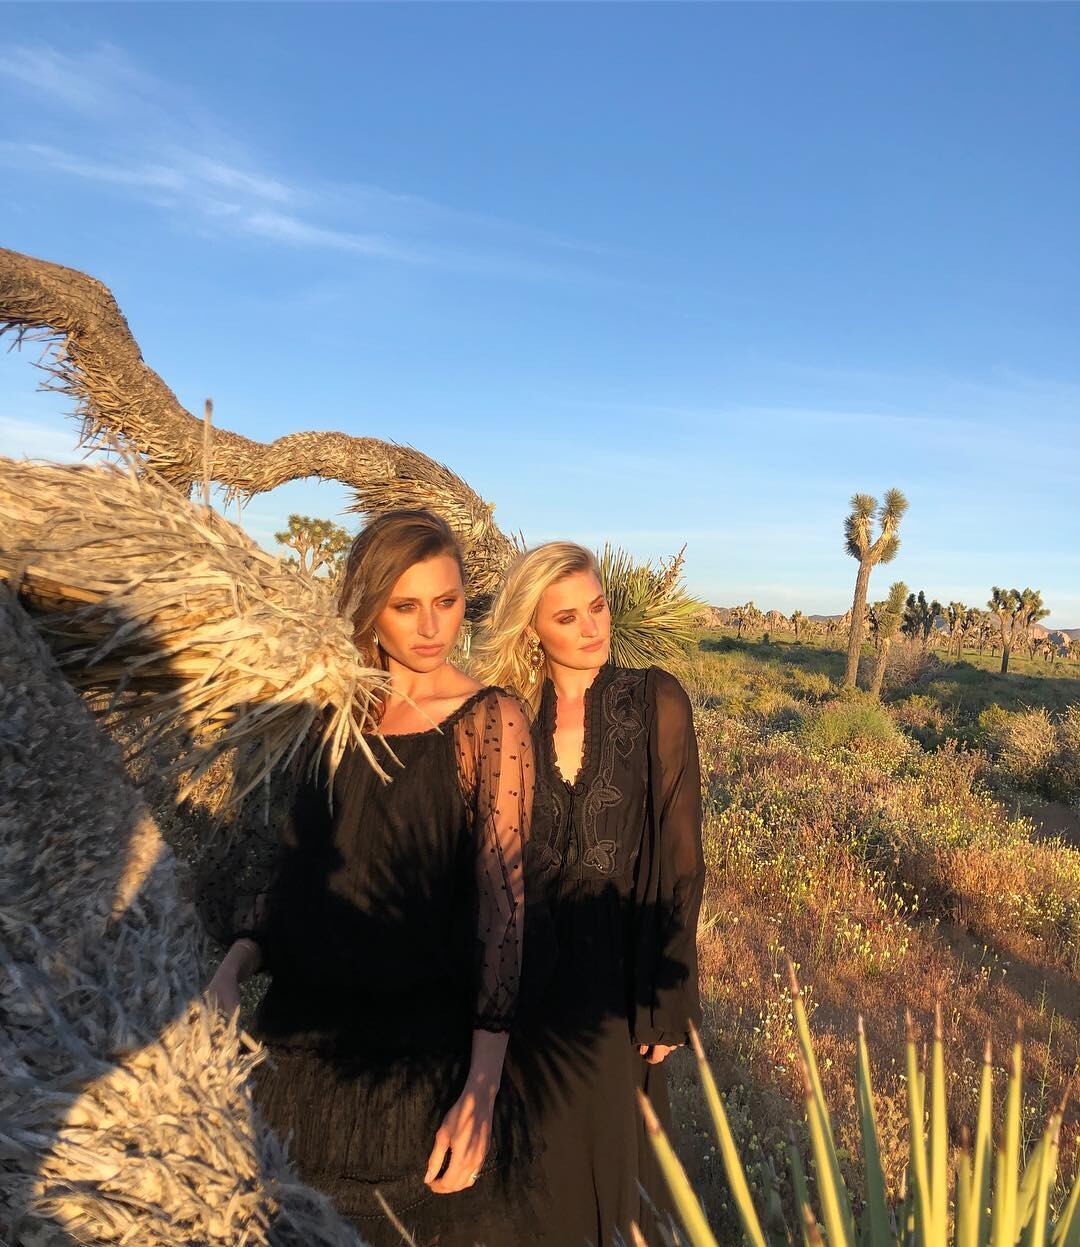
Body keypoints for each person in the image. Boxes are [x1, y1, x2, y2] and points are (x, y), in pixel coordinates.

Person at [204, 510, 536, 1247]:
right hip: (296, 1056)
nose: (432, 626)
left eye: (446, 601)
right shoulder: (328, 716)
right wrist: (232, 968)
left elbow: (503, 912)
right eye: (406, 605)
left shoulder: (489, 722)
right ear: (369, 609)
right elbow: (289, 870)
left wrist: (482, 1086)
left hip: (416, 1070)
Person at [473, 541, 705, 1247]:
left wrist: (668, 993)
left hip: (617, 979)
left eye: (597, 607)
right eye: (567, 617)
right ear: (532, 628)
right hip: (528, 977)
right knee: (530, 1175)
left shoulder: (655, 698)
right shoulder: (507, 713)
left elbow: (681, 855)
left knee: (616, 1172)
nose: (591, 627)